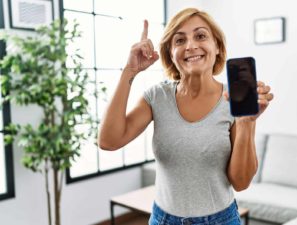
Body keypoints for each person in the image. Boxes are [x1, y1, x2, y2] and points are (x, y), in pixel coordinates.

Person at [98, 8, 274, 225]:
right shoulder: (157, 97)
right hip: (163, 220)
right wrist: (129, 70)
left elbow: (240, 182)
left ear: (217, 46)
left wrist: (246, 122)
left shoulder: (234, 100)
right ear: (170, 53)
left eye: (200, 36)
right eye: (180, 40)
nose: (190, 46)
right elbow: (108, 141)